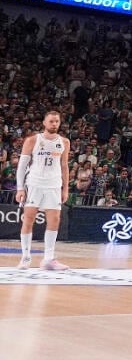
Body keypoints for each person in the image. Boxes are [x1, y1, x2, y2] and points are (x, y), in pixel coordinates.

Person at [16, 110, 70, 270]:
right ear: (44, 123)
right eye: (51, 121)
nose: (54, 124)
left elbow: (64, 166)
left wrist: (65, 188)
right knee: (28, 219)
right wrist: (20, 188)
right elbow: (22, 166)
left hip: (54, 185)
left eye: (57, 121)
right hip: (34, 183)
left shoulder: (64, 142)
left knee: (54, 220)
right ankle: (25, 257)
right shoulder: (33, 140)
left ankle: (48, 259)